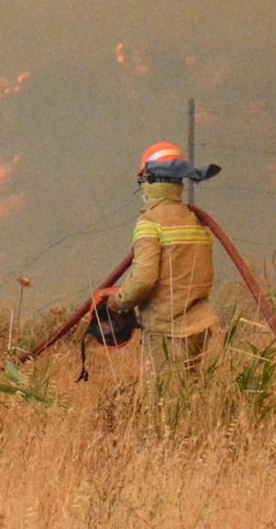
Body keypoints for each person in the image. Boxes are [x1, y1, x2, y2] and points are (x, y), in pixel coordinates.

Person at [93, 141, 221, 381]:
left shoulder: (150, 223)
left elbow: (143, 280)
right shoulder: (193, 219)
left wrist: (116, 302)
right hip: (199, 327)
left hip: (167, 331)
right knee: (189, 396)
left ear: (149, 180)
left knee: (165, 405)